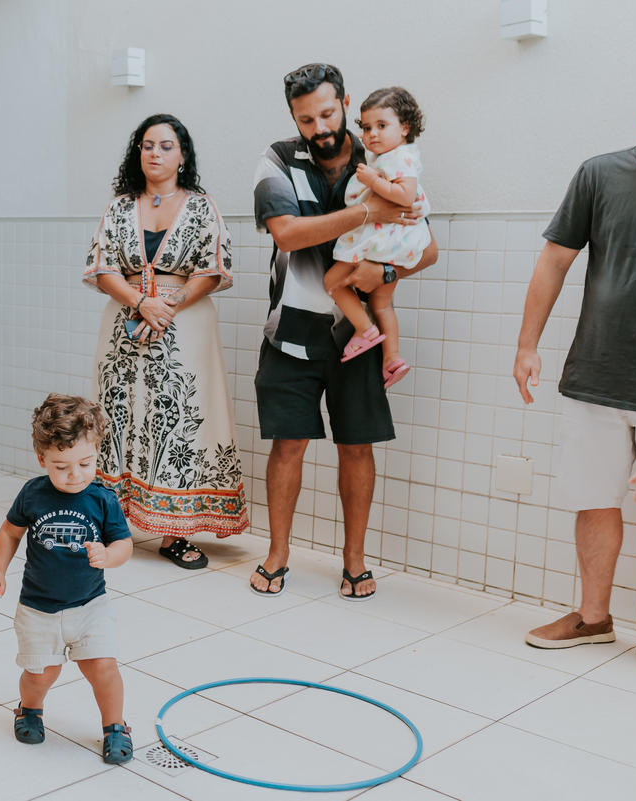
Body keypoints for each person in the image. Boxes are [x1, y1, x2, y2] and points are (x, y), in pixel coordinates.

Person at [252, 64, 438, 600]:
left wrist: (383, 274)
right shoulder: (278, 159)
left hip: (361, 336)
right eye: (306, 118)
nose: (319, 126)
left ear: (346, 104)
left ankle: (354, 561)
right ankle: (277, 553)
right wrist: (366, 212)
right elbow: (286, 234)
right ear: (293, 116)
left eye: (329, 113)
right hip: (288, 331)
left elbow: (427, 248)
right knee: (287, 445)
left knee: (357, 447)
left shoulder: (380, 150)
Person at [83, 113, 247, 570]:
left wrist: (167, 307)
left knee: (178, 420)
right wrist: (140, 302)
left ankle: (175, 532)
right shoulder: (119, 208)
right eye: (147, 144)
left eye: (166, 145)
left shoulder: (201, 206)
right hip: (124, 327)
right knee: (116, 416)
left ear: (183, 155)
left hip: (185, 325)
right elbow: (102, 266)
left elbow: (214, 269)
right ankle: (107, 518)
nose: (155, 153)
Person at [514, 114, 636, 666]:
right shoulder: (600, 174)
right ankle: (594, 618)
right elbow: (554, 260)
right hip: (596, 372)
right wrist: (527, 344)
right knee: (594, 500)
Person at [0, 394, 134, 764]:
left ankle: (115, 727)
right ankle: (29, 710)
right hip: (38, 608)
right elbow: (9, 533)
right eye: (61, 466)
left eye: (85, 463)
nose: (75, 475)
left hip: (90, 605)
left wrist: (108, 556)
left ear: (97, 452)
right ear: (41, 459)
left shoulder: (103, 499)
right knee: (40, 675)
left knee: (103, 668)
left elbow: (124, 544)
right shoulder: (33, 494)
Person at [327, 87, 431, 387]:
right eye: (367, 127)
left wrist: (372, 180)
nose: (372, 134)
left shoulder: (397, 158)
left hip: (382, 242)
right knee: (382, 303)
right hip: (396, 245)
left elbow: (405, 194)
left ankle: (364, 330)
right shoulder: (397, 155)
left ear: (405, 127)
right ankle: (392, 358)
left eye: (382, 126)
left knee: (332, 282)